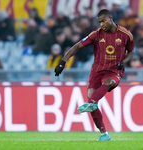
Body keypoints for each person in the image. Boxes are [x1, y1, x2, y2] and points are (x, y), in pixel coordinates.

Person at [54, 9, 134, 141]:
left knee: (107, 83)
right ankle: (104, 133)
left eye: (103, 21)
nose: (102, 24)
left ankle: (89, 103)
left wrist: (124, 61)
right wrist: (62, 61)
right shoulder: (96, 34)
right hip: (97, 70)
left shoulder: (126, 34)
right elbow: (77, 46)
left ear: (110, 18)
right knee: (93, 103)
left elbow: (131, 51)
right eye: (99, 22)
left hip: (114, 70)